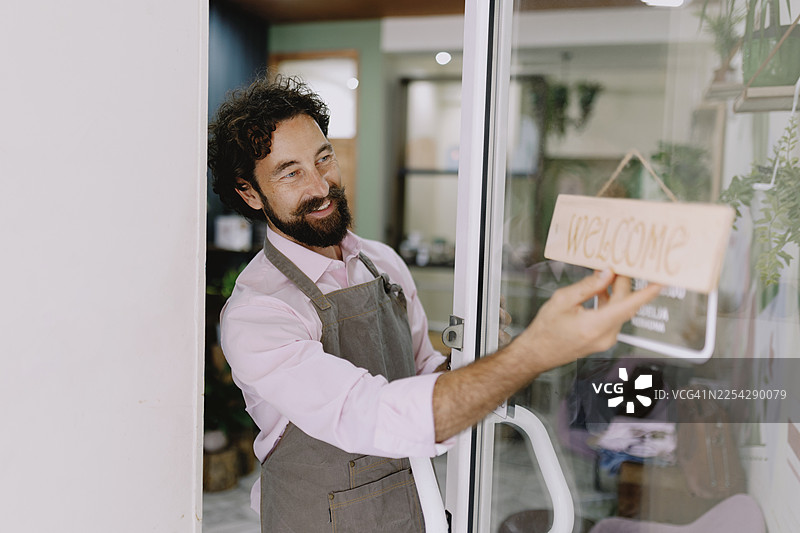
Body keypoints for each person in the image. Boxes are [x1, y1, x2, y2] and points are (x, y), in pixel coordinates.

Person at [207, 75, 661, 533]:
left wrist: (479, 356)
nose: (322, 184)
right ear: (249, 192)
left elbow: (426, 379)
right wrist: (534, 352)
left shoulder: (382, 264)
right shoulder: (258, 313)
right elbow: (372, 414)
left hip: (412, 512)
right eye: (291, 172)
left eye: (324, 158)